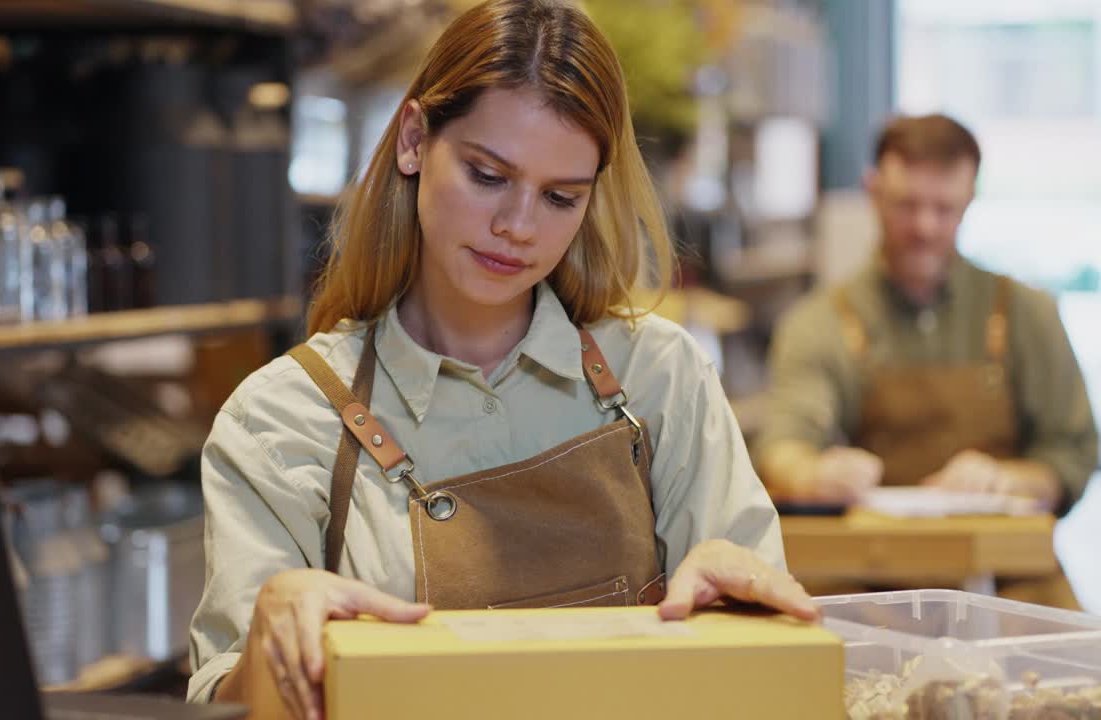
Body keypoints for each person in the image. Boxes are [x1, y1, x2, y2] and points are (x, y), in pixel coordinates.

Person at [188, 1, 817, 718]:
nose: (518, 227)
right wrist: (275, 623)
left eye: (559, 196)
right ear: (415, 139)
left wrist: (741, 610)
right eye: (488, 175)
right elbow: (224, 704)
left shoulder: (659, 376)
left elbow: (773, 678)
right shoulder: (280, 420)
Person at [756, 114, 1098, 514]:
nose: (925, 226)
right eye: (907, 205)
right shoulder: (818, 323)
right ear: (874, 191)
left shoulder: (1028, 314)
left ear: (971, 197)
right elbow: (782, 443)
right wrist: (809, 473)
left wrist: (1011, 478)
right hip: (868, 564)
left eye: (944, 208)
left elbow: (1071, 453)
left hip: (1007, 566)